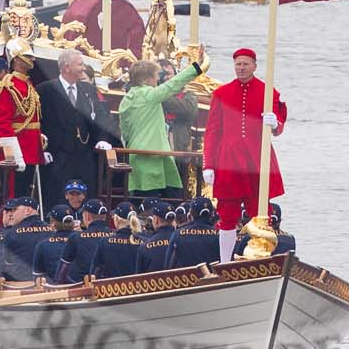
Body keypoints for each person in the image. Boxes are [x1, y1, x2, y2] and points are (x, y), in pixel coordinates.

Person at [203, 47, 289, 262]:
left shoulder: (268, 92)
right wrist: (208, 164)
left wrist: (275, 123)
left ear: (254, 66)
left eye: (245, 64)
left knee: (260, 210)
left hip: (256, 156)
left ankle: (261, 257)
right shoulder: (221, 94)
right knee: (227, 213)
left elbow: (278, 126)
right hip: (228, 158)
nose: (240, 68)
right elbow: (213, 130)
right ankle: (224, 261)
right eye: (237, 64)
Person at [115, 54, 203, 201]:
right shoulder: (149, 95)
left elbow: (125, 131)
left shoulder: (126, 99)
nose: (158, 79)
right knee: (164, 201)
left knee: (140, 200)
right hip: (153, 157)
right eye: (156, 76)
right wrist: (196, 67)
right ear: (147, 78)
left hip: (136, 155)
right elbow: (172, 85)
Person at [39, 49, 114, 202]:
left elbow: (101, 117)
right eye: (80, 64)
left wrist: (102, 139)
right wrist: (40, 149)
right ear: (67, 67)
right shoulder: (45, 90)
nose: (83, 68)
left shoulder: (89, 90)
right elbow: (37, 123)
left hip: (84, 157)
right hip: (57, 157)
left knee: (87, 200)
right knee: (57, 200)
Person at [0, 41, 47, 198]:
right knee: (14, 193)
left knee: (27, 192)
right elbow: (2, 122)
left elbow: (31, 117)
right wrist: (14, 153)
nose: (32, 59)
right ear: (17, 59)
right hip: (18, 146)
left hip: (31, 146)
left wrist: (39, 135)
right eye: (28, 56)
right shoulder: (7, 85)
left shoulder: (28, 83)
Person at [0, 197, 51, 281]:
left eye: (15, 210)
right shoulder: (52, 230)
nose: (12, 214)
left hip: (21, 286)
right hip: (50, 285)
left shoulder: (11, 234)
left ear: (28, 210)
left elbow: (7, 267)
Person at [94, 201, 143, 279]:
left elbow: (95, 270)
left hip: (109, 288)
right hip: (136, 288)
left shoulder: (104, 241)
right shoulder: (143, 243)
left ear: (116, 219)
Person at [169, 198, 223, 267]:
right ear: (212, 214)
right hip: (214, 276)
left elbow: (169, 265)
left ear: (190, 214)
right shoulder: (219, 235)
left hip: (185, 277)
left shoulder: (178, 234)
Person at [33, 207, 79, 283]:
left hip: (57, 291)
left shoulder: (42, 245)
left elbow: (38, 278)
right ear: (73, 223)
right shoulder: (83, 239)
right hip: (85, 288)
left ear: (53, 224)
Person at [136, 202, 180, 272]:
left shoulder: (145, 247)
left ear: (155, 220)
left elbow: (139, 279)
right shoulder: (183, 242)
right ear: (174, 221)